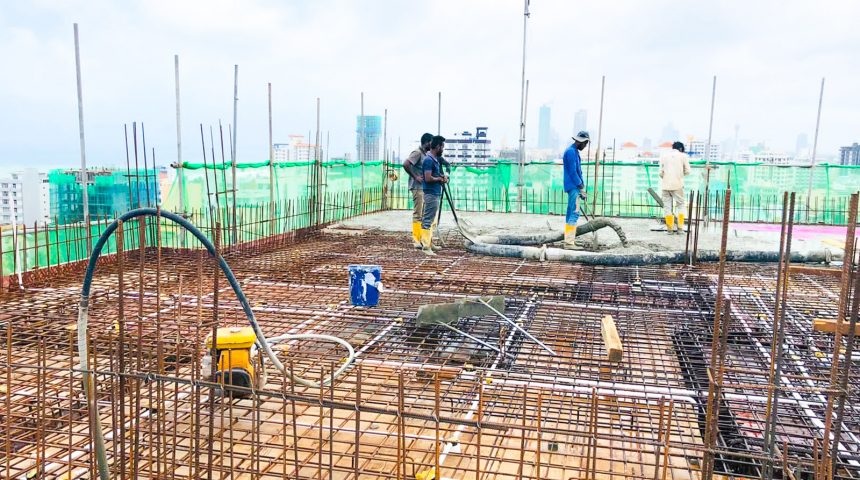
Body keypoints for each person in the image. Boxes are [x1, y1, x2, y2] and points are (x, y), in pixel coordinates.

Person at [403, 133, 434, 248]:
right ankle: (416, 240)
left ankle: (424, 240)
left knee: (425, 214)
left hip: (424, 188)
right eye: (431, 142)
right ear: (426, 142)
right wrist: (415, 176)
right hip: (417, 187)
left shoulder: (426, 154)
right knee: (418, 214)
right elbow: (406, 164)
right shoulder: (417, 153)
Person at [420, 136, 448, 256]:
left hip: (435, 192)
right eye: (442, 146)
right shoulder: (428, 160)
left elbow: (442, 169)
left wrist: (443, 176)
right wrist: (439, 179)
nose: (443, 149)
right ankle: (426, 247)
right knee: (427, 219)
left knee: (431, 220)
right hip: (431, 193)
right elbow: (428, 178)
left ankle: (429, 243)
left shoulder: (435, 159)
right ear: (437, 146)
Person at [562, 131, 589, 249]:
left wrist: (581, 187)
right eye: (585, 143)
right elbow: (573, 173)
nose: (585, 146)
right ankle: (569, 243)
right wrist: (581, 187)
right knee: (574, 213)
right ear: (582, 142)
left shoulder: (574, 151)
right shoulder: (571, 152)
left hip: (574, 186)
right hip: (574, 187)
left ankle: (569, 239)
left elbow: (578, 172)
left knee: (570, 213)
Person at [659, 141, 691, 234]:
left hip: (665, 185)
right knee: (680, 205)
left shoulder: (664, 156)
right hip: (678, 185)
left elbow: (661, 173)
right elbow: (688, 171)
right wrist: (680, 175)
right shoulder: (683, 156)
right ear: (681, 149)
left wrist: (666, 178)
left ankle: (669, 230)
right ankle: (680, 229)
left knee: (667, 207)